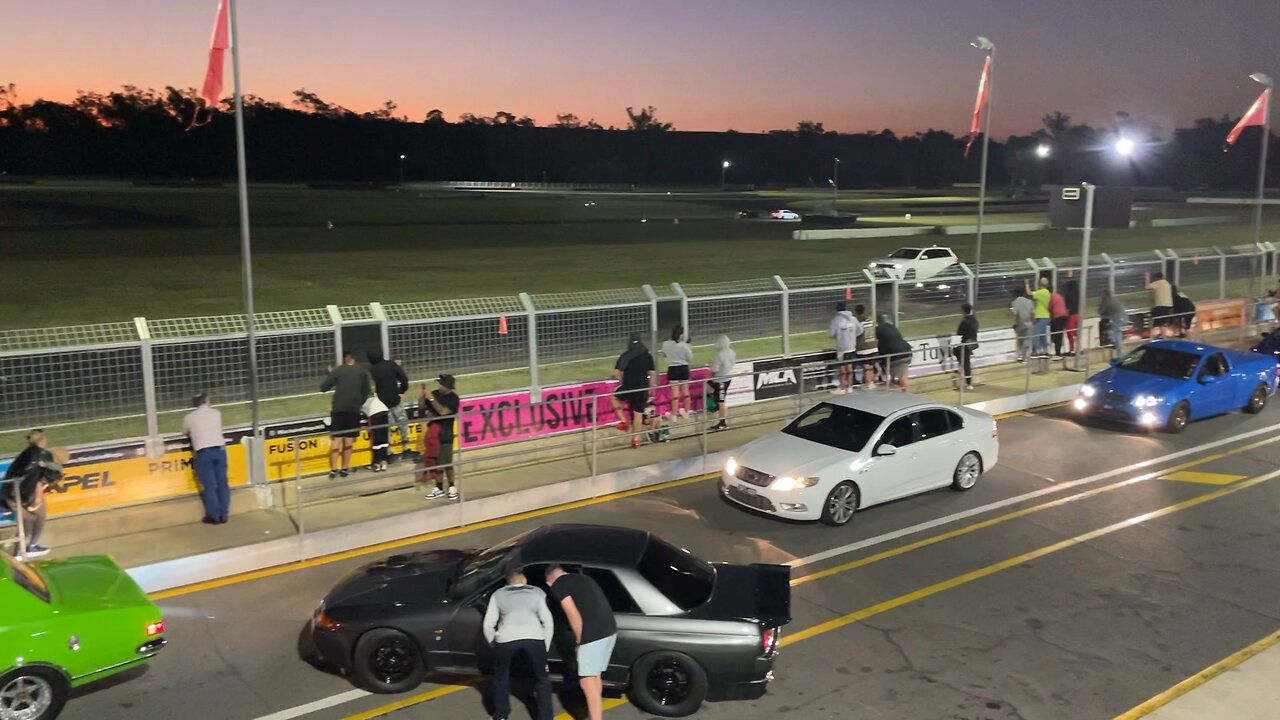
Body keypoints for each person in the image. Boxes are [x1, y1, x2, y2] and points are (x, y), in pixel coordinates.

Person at [546, 564, 617, 720]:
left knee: (586, 681)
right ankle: (595, 714)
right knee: (594, 677)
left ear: (548, 582)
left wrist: (580, 641)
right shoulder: (583, 578)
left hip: (593, 634)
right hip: (610, 629)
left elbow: (573, 614)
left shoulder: (558, 585)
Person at [483, 565, 554, 720]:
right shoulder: (537, 592)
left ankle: (501, 714)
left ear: (507, 583)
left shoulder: (498, 594)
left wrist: (494, 644)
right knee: (542, 679)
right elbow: (548, 622)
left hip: (506, 638)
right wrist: (545, 648)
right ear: (525, 580)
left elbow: (488, 625)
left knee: (501, 677)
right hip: (534, 637)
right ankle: (546, 717)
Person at [2, 430, 62, 557]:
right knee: (38, 516)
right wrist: (37, 501)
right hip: (24, 494)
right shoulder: (44, 456)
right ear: (42, 440)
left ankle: (19, 551)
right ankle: (30, 547)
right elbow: (39, 481)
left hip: (11, 493)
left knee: (27, 520)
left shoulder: (25, 453)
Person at [321, 353, 373, 480]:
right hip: (353, 409)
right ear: (354, 359)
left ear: (344, 360)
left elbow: (324, 387)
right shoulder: (362, 372)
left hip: (339, 409)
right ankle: (345, 468)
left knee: (336, 440)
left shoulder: (338, 370)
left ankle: (333, 469)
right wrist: (358, 403)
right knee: (349, 440)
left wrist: (330, 374)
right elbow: (366, 391)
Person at [183, 393, 229, 524]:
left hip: (204, 452)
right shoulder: (216, 413)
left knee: (209, 485)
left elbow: (185, 431)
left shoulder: (189, 417)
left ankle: (214, 515)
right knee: (222, 483)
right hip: (219, 450)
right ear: (206, 401)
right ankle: (223, 513)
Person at [608, 333, 656, 448]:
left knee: (614, 396)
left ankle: (623, 421)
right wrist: (649, 388)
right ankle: (636, 439)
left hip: (629, 387)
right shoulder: (647, 355)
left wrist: (623, 381)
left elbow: (616, 372)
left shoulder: (626, 355)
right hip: (643, 387)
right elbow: (652, 374)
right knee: (638, 413)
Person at [423, 374, 461, 499]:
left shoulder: (454, 399)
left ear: (447, 386)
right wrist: (423, 394)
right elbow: (422, 407)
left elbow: (443, 412)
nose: (439, 386)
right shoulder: (434, 393)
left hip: (445, 434)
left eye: (441, 384)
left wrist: (432, 399)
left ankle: (452, 487)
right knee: (436, 463)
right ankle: (438, 488)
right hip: (434, 433)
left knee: (446, 463)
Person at [369, 351, 412, 460]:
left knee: (386, 426)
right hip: (395, 398)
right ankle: (406, 447)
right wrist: (402, 390)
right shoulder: (391, 364)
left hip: (382, 402)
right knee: (402, 422)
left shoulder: (373, 370)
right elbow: (404, 378)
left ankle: (389, 451)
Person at [827, 301, 864, 394]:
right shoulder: (853, 318)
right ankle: (850, 386)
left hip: (842, 347)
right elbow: (860, 330)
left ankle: (842, 387)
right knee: (849, 366)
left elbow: (831, 334)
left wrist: (840, 335)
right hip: (852, 346)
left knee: (842, 367)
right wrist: (851, 336)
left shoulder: (836, 319)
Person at [659, 325, 693, 419]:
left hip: (673, 368)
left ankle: (673, 414)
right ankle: (686, 412)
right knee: (686, 391)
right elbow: (690, 358)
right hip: (684, 368)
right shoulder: (684, 345)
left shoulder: (665, 344)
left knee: (675, 393)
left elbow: (664, 355)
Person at [875, 312, 913, 391]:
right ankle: (901, 388)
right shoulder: (893, 327)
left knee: (900, 375)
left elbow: (879, 344)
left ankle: (905, 392)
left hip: (896, 355)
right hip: (907, 352)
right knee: (901, 373)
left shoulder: (879, 329)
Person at [708, 335, 735, 431]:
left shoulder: (720, 354)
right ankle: (716, 404)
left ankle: (722, 422)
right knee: (709, 386)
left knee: (721, 401)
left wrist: (711, 364)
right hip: (726, 378)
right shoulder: (732, 352)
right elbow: (732, 364)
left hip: (721, 380)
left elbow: (714, 369)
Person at [362, 393, 391, 472]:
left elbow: (367, 417)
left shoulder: (362, 402)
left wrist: (368, 428)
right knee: (384, 438)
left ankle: (376, 463)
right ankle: (384, 462)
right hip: (384, 411)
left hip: (375, 414)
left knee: (377, 440)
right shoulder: (376, 397)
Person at [853, 304, 878, 387]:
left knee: (866, 365)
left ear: (856, 311)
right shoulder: (870, 320)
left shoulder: (857, 321)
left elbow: (856, 333)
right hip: (873, 345)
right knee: (870, 364)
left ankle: (868, 382)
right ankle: (871, 382)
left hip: (863, 347)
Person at [954, 303, 979, 390]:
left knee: (964, 361)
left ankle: (968, 383)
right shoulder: (974, 320)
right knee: (962, 357)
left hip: (966, 343)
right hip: (973, 342)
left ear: (963, 311)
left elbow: (959, 332)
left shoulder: (965, 321)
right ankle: (963, 370)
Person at [1100, 289, 1128, 359]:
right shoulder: (1113, 299)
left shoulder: (1107, 301)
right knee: (1116, 333)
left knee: (1116, 334)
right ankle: (1117, 348)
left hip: (1118, 318)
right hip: (1123, 317)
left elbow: (1100, 311)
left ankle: (1120, 354)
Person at [1011, 287, 1035, 362]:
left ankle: (1020, 355)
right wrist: (1031, 321)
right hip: (1029, 323)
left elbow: (1016, 314)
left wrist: (1017, 323)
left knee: (1020, 340)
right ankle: (1025, 356)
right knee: (1027, 340)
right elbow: (1032, 313)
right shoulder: (1029, 301)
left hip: (1020, 323)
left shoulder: (1014, 302)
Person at [1030, 277, 1052, 358]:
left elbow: (1029, 293)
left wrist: (1026, 284)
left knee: (1037, 334)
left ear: (1040, 284)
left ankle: (1036, 351)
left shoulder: (1040, 292)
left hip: (1040, 316)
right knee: (1043, 334)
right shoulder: (1048, 293)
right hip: (1046, 315)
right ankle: (1045, 350)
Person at [1147, 271, 1174, 338]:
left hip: (1161, 305)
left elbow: (1147, 287)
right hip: (1168, 305)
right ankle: (1163, 336)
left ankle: (1155, 337)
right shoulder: (1167, 283)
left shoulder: (1158, 283)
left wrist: (1147, 277)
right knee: (1162, 322)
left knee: (1157, 322)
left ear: (1156, 278)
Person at [1049, 282, 1069, 358]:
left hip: (1057, 317)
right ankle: (1058, 352)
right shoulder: (1059, 296)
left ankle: (1057, 352)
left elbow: (1049, 308)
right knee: (1059, 334)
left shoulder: (1050, 297)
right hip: (1064, 316)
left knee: (1055, 334)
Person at [1062, 280, 1081, 357]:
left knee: (1070, 334)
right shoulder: (1078, 293)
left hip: (1071, 316)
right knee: (1077, 333)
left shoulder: (1067, 295)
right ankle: (1079, 348)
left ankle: (1072, 350)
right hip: (1078, 314)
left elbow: (1067, 307)